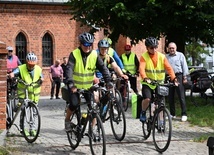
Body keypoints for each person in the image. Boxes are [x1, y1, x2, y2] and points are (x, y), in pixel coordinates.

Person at [64, 32, 112, 131]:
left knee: (93, 108)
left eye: (90, 45)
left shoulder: (94, 54)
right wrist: (71, 84)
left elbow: (103, 68)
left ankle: (92, 129)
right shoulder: (74, 54)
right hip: (75, 87)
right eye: (85, 44)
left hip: (88, 87)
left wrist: (108, 81)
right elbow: (69, 69)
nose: (88, 47)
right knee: (74, 104)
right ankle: (67, 120)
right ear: (80, 44)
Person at [139, 37, 178, 122]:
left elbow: (169, 68)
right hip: (148, 83)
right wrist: (145, 78)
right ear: (147, 48)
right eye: (151, 48)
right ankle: (143, 112)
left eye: (155, 47)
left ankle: (161, 121)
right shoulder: (144, 57)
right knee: (148, 98)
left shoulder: (162, 56)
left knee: (161, 102)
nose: (153, 49)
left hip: (159, 83)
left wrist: (174, 79)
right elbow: (141, 69)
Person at [9, 52, 44, 136]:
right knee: (24, 111)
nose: (31, 66)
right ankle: (22, 129)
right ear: (26, 62)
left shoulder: (38, 69)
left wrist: (41, 80)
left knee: (35, 113)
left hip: (34, 95)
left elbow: (41, 77)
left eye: (33, 65)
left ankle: (33, 129)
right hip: (23, 94)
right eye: (29, 65)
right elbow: (13, 73)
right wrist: (12, 76)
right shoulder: (21, 68)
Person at [166, 42, 189, 122]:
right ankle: (172, 114)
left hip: (179, 76)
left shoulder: (180, 55)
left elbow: (184, 66)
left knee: (181, 96)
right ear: (168, 49)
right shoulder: (166, 56)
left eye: (173, 48)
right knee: (170, 96)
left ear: (176, 48)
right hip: (169, 77)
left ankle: (184, 114)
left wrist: (185, 77)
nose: (171, 49)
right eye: (170, 48)